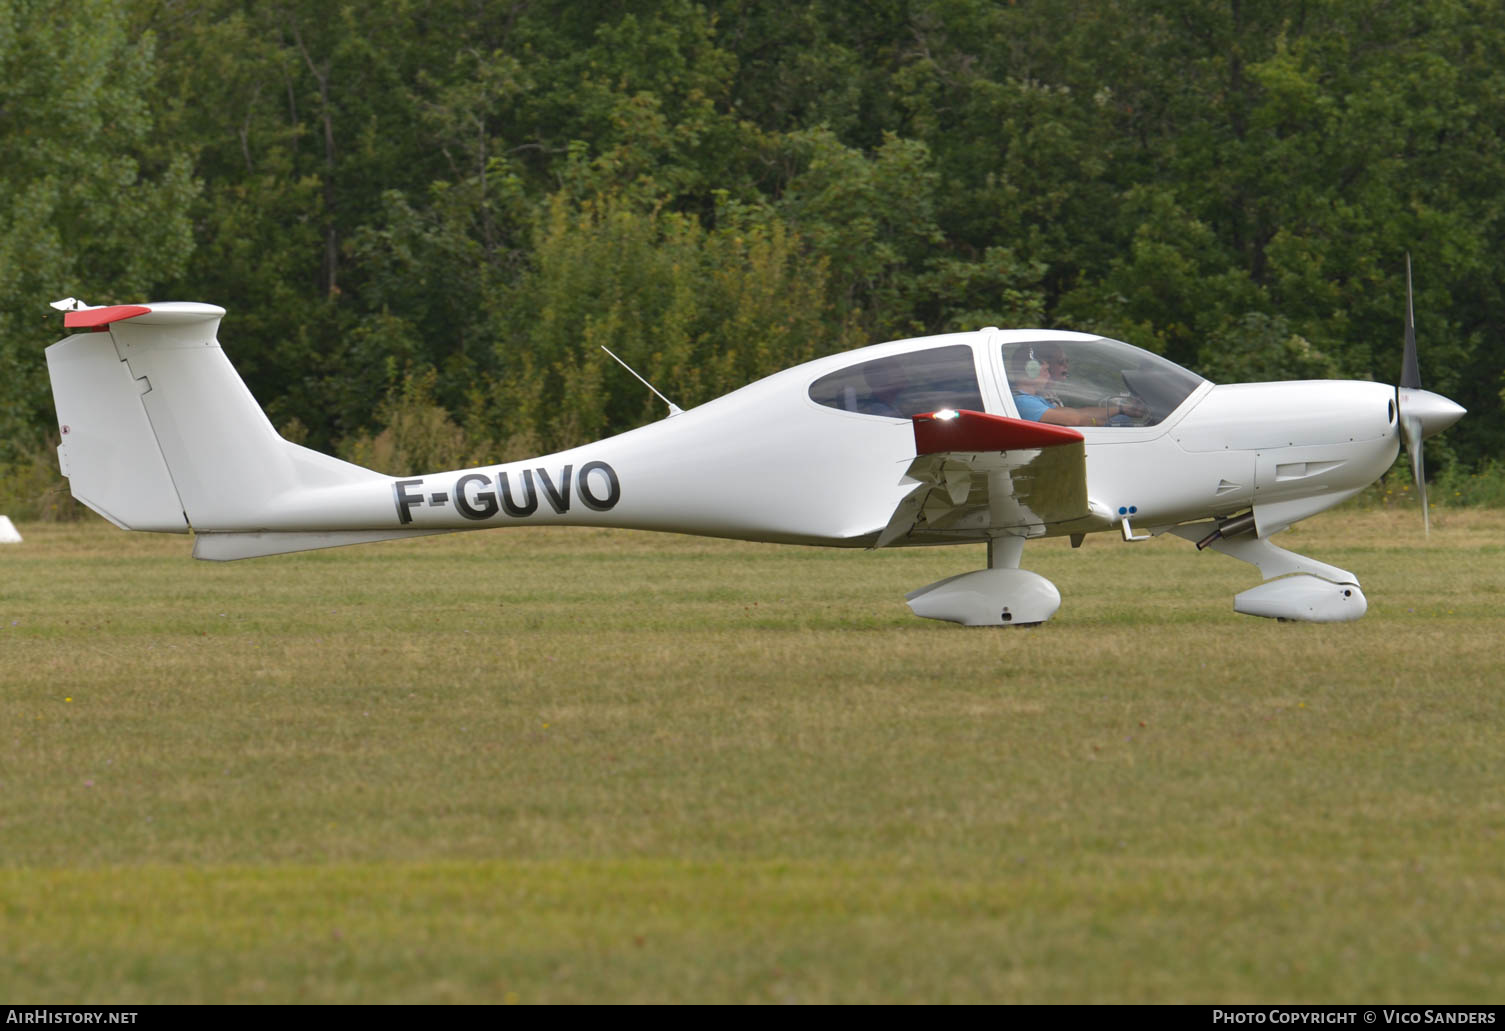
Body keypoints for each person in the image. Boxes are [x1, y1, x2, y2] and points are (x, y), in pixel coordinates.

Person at [1009, 344, 1145, 426]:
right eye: (1046, 370)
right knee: (1121, 422)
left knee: (1121, 418)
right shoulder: (1023, 402)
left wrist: (1121, 408)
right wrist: (1102, 424)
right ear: (1030, 371)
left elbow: (1079, 413)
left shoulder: (1036, 399)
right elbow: (1073, 419)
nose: (1049, 376)